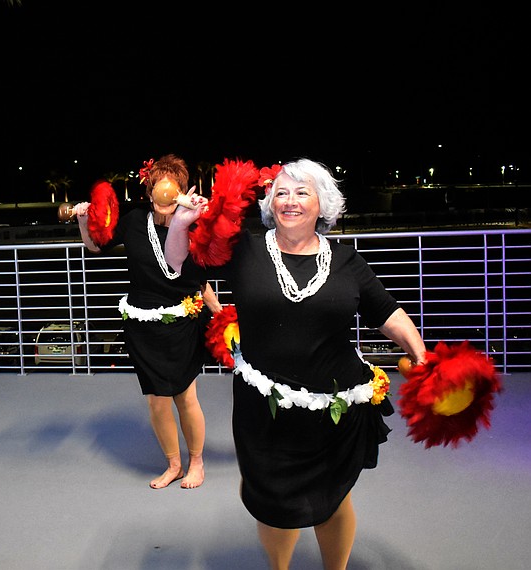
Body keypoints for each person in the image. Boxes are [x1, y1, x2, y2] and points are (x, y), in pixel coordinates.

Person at [164, 157, 428, 569]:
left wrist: (421, 354)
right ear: (270, 203)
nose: (290, 201)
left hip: (337, 412)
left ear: (322, 204)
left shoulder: (346, 261)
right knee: (272, 502)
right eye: (281, 192)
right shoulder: (244, 250)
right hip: (264, 412)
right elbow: (179, 263)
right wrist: (181, 224)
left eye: (302, 192)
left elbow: (387, 313)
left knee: (333, 497)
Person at [76, 154, 221, 489]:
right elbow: (97, 245)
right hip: (142, 323)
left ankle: (196, 462)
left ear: (182, 190)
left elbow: (202, 276)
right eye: (160, 186)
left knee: (185, 396)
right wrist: (85, 220)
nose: (167, 193)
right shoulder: (133, 220)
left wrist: (217, 309)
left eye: (175, 187)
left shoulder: (193, 224)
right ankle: (173, 464)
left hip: (182, 321)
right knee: (156, 401)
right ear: (151, 189)